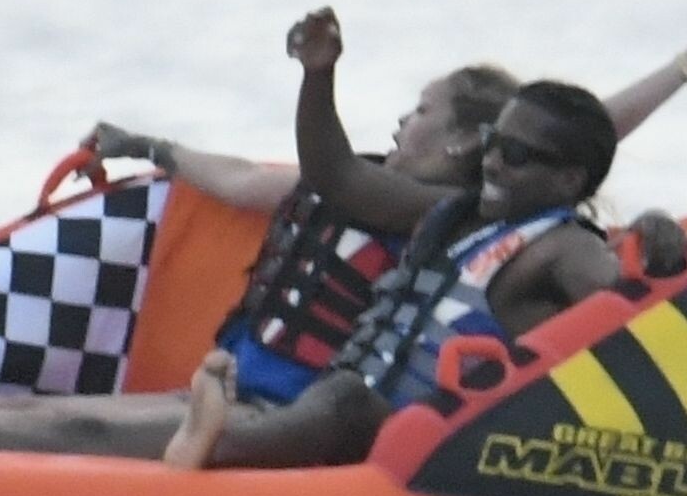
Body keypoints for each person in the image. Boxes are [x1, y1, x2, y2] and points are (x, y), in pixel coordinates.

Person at [0, 7, 687, 457]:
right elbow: (315, 173)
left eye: (426, 116)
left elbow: (613, 250)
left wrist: (662, 209)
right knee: (47, 413)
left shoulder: (541, 230)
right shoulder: (444, 209)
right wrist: (305, 82)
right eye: (497, 153)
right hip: (300, 394)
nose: (495, 167)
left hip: (343, 421)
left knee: (79, 428)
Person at [161, 66, 626, 470]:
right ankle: (219, 436)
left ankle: (222, 444)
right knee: (343, 393)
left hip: (430, 446)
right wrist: (319, 73)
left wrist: (654, 235)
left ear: (570, 180)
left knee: (349, 402)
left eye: (515, 155)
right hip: (356, 419)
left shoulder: (566, 246)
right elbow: (338, 176)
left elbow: (631, 306)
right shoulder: (460, 214)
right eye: (492, 143)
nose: (491, 163)